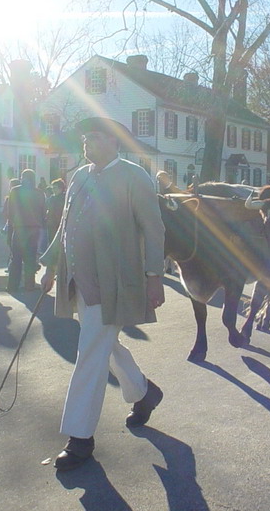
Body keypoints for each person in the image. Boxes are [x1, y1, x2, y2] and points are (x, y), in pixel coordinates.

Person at [39, 117, 166, 472]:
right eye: (84, 138)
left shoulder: (134, 177)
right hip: (78, 279)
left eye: (93, 137)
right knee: (102, 344)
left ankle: (80, 439)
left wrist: (154, 276)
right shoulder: (79, 176)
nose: (86, 143)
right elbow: (65, 225)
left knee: (90, 352)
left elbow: (154, 228)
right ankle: (144, 393)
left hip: (114, 283)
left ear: (113, 141)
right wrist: (50, 266)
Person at [7, 169, 46, 292]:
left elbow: (10, 210)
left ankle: (13, 286)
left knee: (16, 258)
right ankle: (29, 285)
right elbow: (43, 211)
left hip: (19, 228)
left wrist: (13, 222)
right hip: (34, 228)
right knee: (30, 258)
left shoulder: (15, 191)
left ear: (22, 177)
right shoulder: (39, 193)